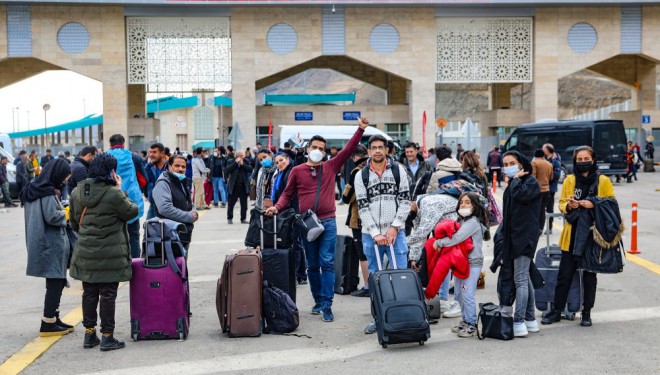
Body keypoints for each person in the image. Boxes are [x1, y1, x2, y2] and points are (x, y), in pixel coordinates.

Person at [266, 116, 369, 323]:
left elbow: (348, 150)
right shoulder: (296, 171)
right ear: (307, 148)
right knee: (312, 265)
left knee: (327, 263)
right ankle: (318, 301)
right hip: (307, 224)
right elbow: (287, 194)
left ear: (325, 151)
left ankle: (328, 305)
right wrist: (276, 207)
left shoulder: (330, 166)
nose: (319, 150)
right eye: (315, 146)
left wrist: (360, 130)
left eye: (322, 148)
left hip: (328, 221)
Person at [69, 153, 138, 351]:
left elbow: (74, 223)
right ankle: (107, 336)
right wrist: (119, 188)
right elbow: (132, 212)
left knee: (89, 293)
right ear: (112, 171)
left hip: (85, 253)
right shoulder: (113, 193)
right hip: (111, 254)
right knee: (107, 294)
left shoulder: (77, 192)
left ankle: (89, 334)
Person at [541, 146, 615, 328]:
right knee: (564, 276)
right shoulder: (569, 180)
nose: (583, 162)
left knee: (589, 277)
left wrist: (592, 203)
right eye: (579, 159)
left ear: (593, 159)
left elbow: (611, 202)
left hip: (592, 235)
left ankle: (587, 313)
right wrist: (570, 206)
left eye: (586, 158)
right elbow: (561, 203)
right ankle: (557, 310)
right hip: (571, 235)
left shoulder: (603, 181)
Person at [354, 135, 412, 334]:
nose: (377, 151)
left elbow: (405, 201)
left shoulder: (398, 171)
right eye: (374, 148)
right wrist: (376, 233)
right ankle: (377, 317)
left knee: (400, 276)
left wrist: (395, 227)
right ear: (369, 151)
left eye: (381, 147)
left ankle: (404, 317)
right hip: (371, 236)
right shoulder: (361, 176)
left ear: (387, 150)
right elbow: (362, 207)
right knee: (375, 278)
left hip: (396, 234)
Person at [21, 159, 73, 337]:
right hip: (51, 242)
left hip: (39, 240)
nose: (65, 180)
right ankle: (48, 321)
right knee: (55, 281)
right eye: (64, 177)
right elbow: (52, 216)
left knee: (55, 280)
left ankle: (53, 318)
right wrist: (67, 212)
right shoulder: (47, 192)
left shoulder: (33, 187)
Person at [499, 150, 542, 337]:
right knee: (525, 277)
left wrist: (515, 179)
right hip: (515, 237)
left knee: (521, 279)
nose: (508, 167)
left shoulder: (529, 182)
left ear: (521, 164)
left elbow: (520, 196)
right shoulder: (515, 183)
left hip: (524, 237)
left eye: (512, 163)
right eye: (505, 164)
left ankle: (519, 321)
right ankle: (531, 319)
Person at [433, 192, 487, 338]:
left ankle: (472, 324)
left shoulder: (472, 222)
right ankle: (465, 320)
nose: (463, 204)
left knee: (467, 294)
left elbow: (456, 238)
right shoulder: (462, 221)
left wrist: (439, 242)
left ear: (474, 206)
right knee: (459, 294)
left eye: (468, 202)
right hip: (460, 263)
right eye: (461, 202)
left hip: (472, 263)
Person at [106, 134, 145, 259]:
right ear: (123, 143)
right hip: (132, 200)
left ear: (110, 144)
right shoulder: (134, 156)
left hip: (111, 200)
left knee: (113, 236)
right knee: (134, 235)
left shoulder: (105, 157)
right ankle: (135, 266)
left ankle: (117, 264)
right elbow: (145, 179)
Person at [151, 154, 199, 251]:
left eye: (183, 167)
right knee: (174, 265)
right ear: (170, 166)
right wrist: (189, 217)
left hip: (183, 234)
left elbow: (188, 201)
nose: (180, 169)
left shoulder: (181, 181)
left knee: (182, 264)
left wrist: (194, 212)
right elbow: (165, 209)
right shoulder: (163, 183)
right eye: (177, 166)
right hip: (169, 237)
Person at [272, 152, 307, 284]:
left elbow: (289, 193)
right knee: (297, 243)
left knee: (295, 244)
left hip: (293, 211)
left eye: (281, 160)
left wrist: (298, 154)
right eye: (277, 162)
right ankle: (302, 275)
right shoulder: (282, 173)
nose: (279, 163)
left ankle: (295, 275)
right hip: (289, 211)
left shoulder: (291, 171)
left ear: (288, 159)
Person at [341, 145, 370, 297]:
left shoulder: (357, 172)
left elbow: (347, 197)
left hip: (359, 217)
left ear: (356, 157)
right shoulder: (377, 168)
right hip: (377, 216)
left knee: (363, 252)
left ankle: (367, 286)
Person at [226, 150, 253, 224]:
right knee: (231, 204)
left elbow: (250, 169)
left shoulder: (246, 161)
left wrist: (242, 164)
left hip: (243, 186)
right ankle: (230, 218)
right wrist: (235, 163)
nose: (242, 157)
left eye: (242, 156)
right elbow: (227, 170)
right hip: (233, 186)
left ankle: (243, 218)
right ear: (237, 156)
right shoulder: (230, 161)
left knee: (244, 204)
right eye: (240, 156)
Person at [531, 149, 554, 232]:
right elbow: (551, 177)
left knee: (536, 210)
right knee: (542, 209)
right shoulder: (549, 164)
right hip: (547, 189)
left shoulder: (534, 163)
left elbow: (533, 177)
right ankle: (541, 227)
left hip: (537, 190)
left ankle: (536, 228)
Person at [145, 143, 168, 219]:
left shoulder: (170, 167)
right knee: (148, 228)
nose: (151, 155)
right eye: (150, 152)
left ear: (162, 153)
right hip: (153, 205)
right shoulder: (148, 167)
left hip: (167, 205)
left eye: (154, 152)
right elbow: (146, 183)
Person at [543, 144, 562, 234]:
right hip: (542, 188)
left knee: (549, 208)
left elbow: (557, 176)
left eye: (543, 148)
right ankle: (540, 227)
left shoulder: (555, 161)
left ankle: (549, 227)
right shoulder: (543, 159)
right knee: (541, 208)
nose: (542, 150)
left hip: (550, 188)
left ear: (547, 150)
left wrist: (545, 178)